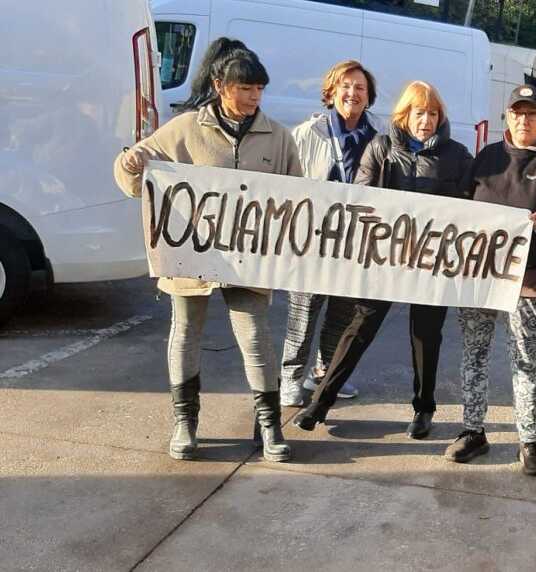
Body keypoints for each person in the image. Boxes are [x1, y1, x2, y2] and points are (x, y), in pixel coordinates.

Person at [113, 38, 302, 462]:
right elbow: (135, 179)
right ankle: (185, 422)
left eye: (259, 90)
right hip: (190, 257)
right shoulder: (184, 129)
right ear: (221, 86)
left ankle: (270, 426)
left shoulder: (278, 138)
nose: (254, 97)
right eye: (246, 89)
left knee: (255, 338)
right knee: (186, 335)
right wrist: (129, 164)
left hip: (251, 261)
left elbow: (299, 197)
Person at [292, 81, 471, 439]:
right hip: (385, 258)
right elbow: (361, 197)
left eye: (433, 113)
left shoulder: (458, 155)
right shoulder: (382, 147)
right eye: (419, 112)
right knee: (360, 327)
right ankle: (321, 402)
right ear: (405, 114)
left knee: (426, 335)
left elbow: (469, 208)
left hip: (432, 263)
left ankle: (424, 409)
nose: (426, 120)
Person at [443, 85, 536, 476]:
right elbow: (458, 210)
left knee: (525, 358)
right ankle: (473, 431)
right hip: (480, 275)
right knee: (475, 352)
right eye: (517, 113)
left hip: (529, 277)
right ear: (507, 116)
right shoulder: (486, 157)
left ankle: (529, 438)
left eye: (532, 114)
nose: (524, 120)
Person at [279, 60, 383, 407]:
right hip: (313, 237)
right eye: (346, 86)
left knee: (342, 312)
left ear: (369, 97)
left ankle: (323, 374)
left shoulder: (380, 137)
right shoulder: (310, 133)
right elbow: (288, 182)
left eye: (360, 88)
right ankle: (291, 377)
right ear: (332, 91)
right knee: (303, 310)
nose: (352, 93)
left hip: (355, 242)